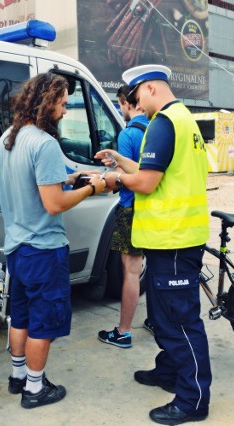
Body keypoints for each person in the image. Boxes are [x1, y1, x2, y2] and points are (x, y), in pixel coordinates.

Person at [96, 64, 211, 425]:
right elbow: (152, 170)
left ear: (148, 89)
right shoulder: (183, 119)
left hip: (173, 238)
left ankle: (193, 400)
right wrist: (119, 160)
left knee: (179, 321)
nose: (135, 105)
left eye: (135, 98)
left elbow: (145, 183)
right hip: (171, 238)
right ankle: (169, 372)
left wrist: (112, 178)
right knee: (162, 317)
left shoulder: (163, 122)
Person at [0, 73, 107, 409]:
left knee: (21, 317)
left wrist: (71, 177)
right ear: (46, 102)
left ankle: (18, 377)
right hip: (44, 250)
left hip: (17, 247)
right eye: (61, 103)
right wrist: (92, 188)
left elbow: (39, 182)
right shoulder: (44, 143)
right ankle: (34, 389)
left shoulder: (8, 139)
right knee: (43, 325)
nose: (64, 111)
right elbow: (54, 203)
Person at [97, 85, 150, 349]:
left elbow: (126, 181)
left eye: (120, 104)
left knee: (131, 270)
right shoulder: (155, 129)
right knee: (156, 266)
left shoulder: (128, 134)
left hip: (131, 209)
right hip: (154, 209)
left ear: (126, 103)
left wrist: (110, 178)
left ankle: (124, 331)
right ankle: (155, 320)